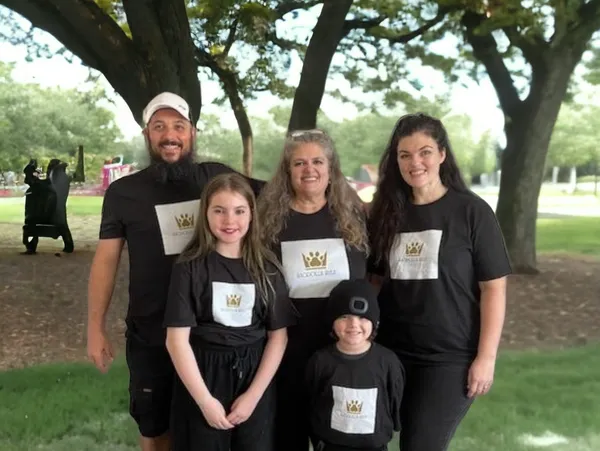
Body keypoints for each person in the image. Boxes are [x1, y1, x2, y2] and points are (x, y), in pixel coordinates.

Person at [86, 92, 264, 451]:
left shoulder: (214, 178)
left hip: (214, 335)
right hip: (151, 332)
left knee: (212, 429)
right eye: (160, 127)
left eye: (179, 126)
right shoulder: (124, 193)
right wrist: (94, 327)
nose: (170, 135)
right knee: (155, 430)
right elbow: (106, 261)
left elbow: (281, 197)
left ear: (192, 133)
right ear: (147, 134)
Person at [367, 113, 512, 451]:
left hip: (449, 358)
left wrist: (486, 357)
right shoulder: (387, 214)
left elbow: (493, 288)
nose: (415, 162)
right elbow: (374, 280)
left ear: (442, 154)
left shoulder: (471, 212)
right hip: (390, 352)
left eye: (425, 152)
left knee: (421, 444)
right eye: (405, 155)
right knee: (365, 439)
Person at [164, 173, 296, 451]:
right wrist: (204, 401)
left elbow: (278, 337)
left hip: (253, 375)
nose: (229, 221)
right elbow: (176, 341)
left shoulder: (267, 268)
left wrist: (253, 396)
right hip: (202, 374)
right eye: (219, 211)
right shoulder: (189, 267)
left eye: (239, 211)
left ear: (251, 214)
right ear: (206, 214)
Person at [257, 128, 369, 451]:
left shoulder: (352, 219)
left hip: (342, 356)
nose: (309, 170)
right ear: (287, 171)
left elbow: (367, 283)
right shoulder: (269, 224)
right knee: (287, 440)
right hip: (286, 355)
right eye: (299, 163)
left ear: (331, 168)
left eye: (318, 161)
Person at [305, 279, 404, 451]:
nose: (354, 324)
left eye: (363, 317)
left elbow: (395, 400)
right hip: (331, 445)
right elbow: (311, 399)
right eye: (344, 316)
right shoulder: (320, 361)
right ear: (332, 321)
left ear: (374, 322)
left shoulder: (388, 361)